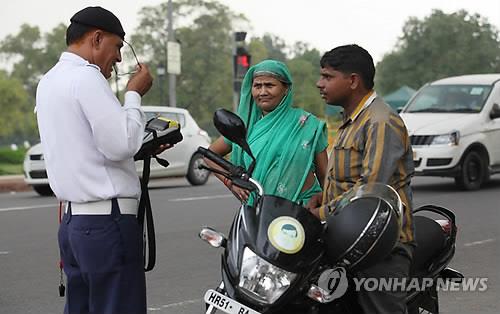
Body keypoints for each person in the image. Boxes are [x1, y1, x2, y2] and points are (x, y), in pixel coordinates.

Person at [35, 6, 162, 314]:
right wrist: (133, 94)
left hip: (74, 225)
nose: (119, 58)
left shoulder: (48, 82)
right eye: (117, 47)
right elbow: (122, 144)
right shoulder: (87, 78)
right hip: (106, 224)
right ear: (96, 38)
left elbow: (83, 149)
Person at [307, 44, 415, 314]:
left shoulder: (380, 121)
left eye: (328, 77)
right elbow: (349, 177)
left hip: (381, 243)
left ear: (353, 81)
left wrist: (320, 212)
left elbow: (369, 192)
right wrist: (325, 194)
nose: (320, 84)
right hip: (348, 236)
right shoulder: (352, 120)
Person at [206, 59, 328, 206]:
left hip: (302, 211)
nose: (263, 92)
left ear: (286, 89)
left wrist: (328, 208)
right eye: (257, 86)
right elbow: (209, 155)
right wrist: (231, 182)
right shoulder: (245, 126)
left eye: (269, 85)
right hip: (259, 211)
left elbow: (324, 175)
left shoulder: (307, 124)